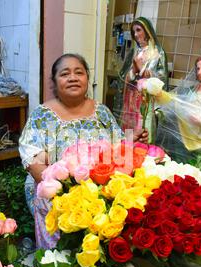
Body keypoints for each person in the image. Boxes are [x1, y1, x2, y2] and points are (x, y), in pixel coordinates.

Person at [19, 53, 148, 249]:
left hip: (98, 187)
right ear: (54, 82)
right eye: (65, 74)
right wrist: (65, 195)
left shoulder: (101, 111)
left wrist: (132, 139)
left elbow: (117, 148)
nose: (73, 78)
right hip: (56, 188)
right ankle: (54, 263)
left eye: (79, 72)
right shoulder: (42, 115)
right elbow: (35, 163)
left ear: (87, 78)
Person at [113, 17, 169, 144]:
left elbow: (162, 78)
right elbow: (123, 76)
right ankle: (126, 155)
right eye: (134, 32)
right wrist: (133, 72)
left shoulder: (158, 53)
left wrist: (144, 73)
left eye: (139, 30)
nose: (136, 35)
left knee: (144, 133)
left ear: (147, 31)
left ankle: (144, 157)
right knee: (128, 133)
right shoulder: (133, 52)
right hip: (130, 100)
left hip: (146, 101)